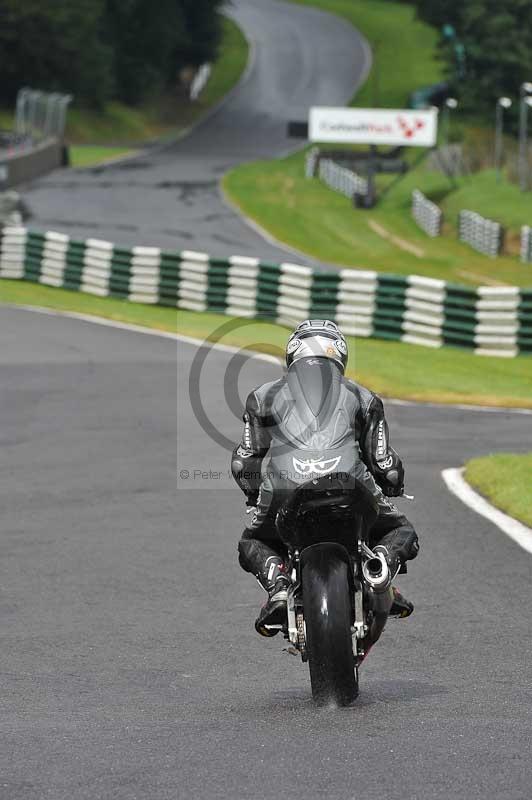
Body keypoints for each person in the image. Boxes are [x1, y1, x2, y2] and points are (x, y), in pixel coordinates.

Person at [231, 319, 419, 636]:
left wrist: (253, 493)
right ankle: (381, 566)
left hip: (283, 488)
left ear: (292, 356)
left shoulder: (262, 396)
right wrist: (392, 486)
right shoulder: (364, 397)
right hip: (349, 481)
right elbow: (385, 464)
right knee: (402, 530)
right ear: (340, 358)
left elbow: (244, 462)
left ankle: (278, 586)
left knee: (252, 541)